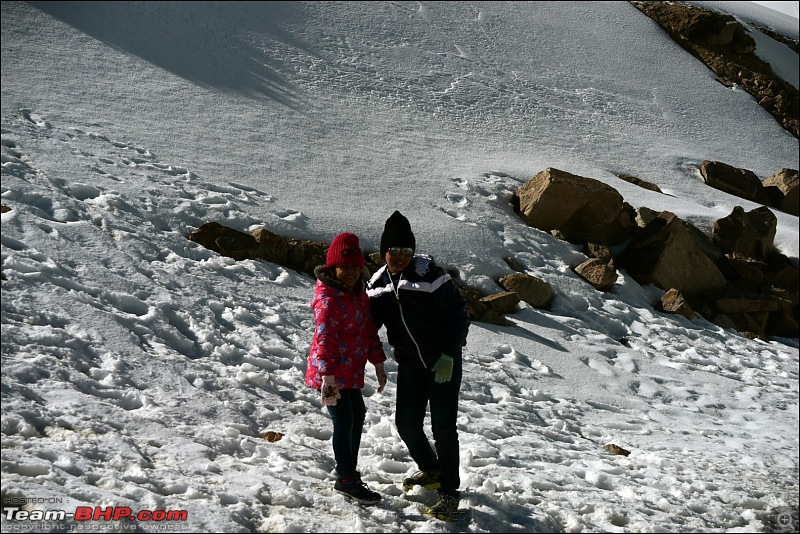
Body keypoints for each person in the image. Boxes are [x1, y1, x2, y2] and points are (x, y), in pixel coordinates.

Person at [366, 211, 470, 520]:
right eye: (393, 251)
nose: (399, 257)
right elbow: (370, 325)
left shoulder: (430, 275)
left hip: (442, 363)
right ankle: (433, 469)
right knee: (406, 424)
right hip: (411, 365)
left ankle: (450, 493)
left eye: (406, 251)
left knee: (443, 429)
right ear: (384, 252)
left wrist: (450, 354)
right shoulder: (378, 284)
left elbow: (458, 314)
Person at [306, 232, 388, 505]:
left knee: (358, 414)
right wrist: (327, 377)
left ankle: (348, 472)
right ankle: (346, 478)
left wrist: (378, 362)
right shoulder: (329, 300)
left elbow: (367, 331)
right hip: (330, 374)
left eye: (355, 267)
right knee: (344, 420)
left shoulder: (358, 295)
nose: (351, 272)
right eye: (345, 267)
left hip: (351, 371)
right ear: (333, 268)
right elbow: (324, 340)